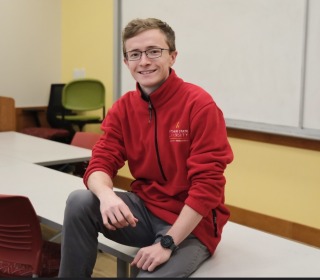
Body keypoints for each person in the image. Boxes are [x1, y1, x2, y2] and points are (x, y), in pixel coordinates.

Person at [58, 17, 234, 278]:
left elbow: (207, 186)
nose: (144, 61)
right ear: (126, 61)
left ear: (172, 56)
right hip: (143, 212)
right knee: (80, 201)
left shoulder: (199, 105)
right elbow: (100, 163)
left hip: (191, 225)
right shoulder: (124, 108)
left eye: (154, 51)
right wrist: (107, 196)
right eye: (135, 54)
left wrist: (167, 243)